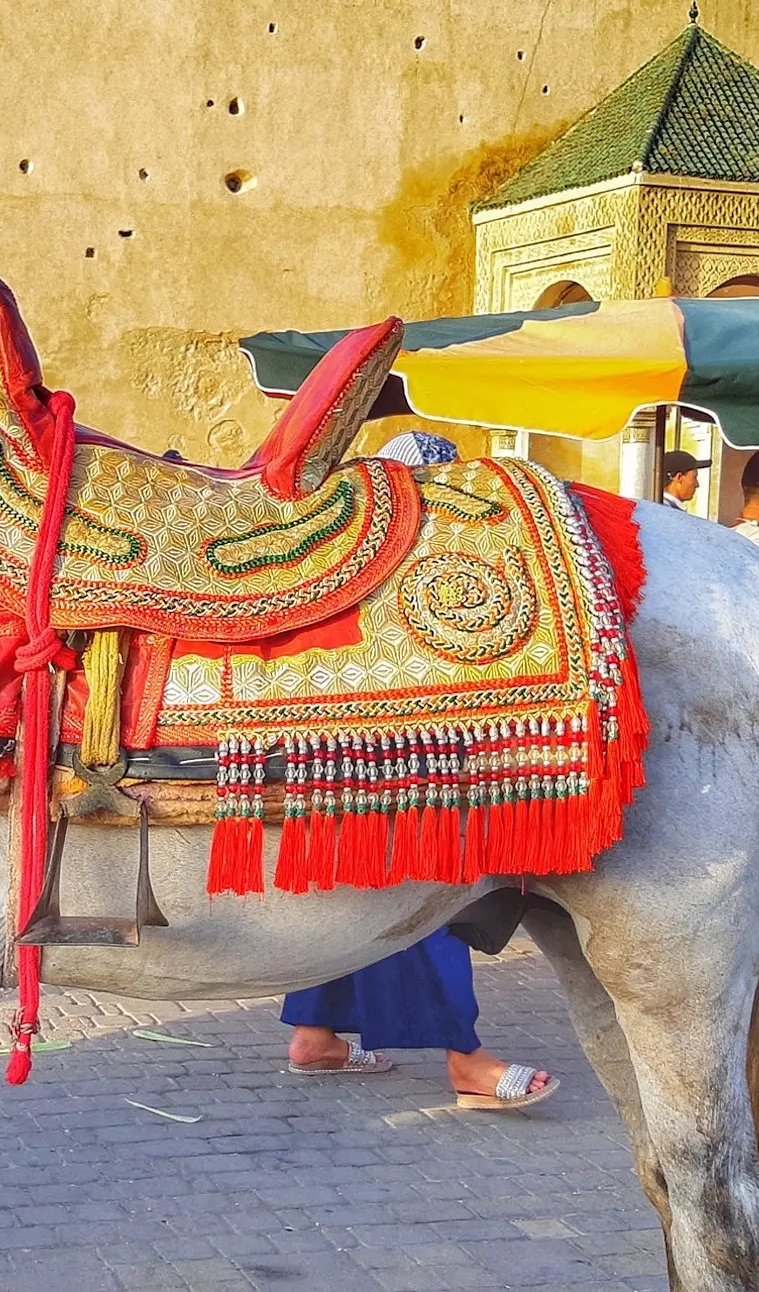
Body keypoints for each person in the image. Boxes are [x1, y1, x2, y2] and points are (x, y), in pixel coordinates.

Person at [278, 431, 556, 1111]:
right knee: (422, 892)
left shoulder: (349, 566)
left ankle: (316, 1037)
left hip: (338, 753)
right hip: (389, 760)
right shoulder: (409, 575)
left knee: (361, 889)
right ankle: (467, 1060)